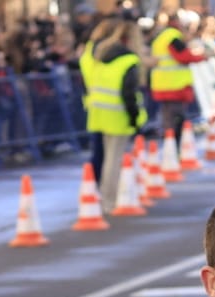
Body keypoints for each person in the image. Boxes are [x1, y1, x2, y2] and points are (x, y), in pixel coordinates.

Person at [87, 19, 145, 213]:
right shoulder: (129, 60)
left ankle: (106, 197)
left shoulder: (102, 53)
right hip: (118, 114)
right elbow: (128, 93)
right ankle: (109, 200)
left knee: (108, 158)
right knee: (114, 160)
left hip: (99, 112)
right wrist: (134, 118)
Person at [149, 9, 206, 147]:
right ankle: (174, 146)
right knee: (175, 118)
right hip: (174, 85)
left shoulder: (163, 36)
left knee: (168, 118)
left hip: (164, 84)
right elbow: (183, 57)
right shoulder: (173, 37)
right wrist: (202, 56)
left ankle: (170, 145)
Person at [78, 17, 123, 184]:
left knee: (99, 150)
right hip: (111, 105)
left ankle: (93, 184)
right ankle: (100, 186)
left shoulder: (89, 49)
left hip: (94, 103)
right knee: (108, 154)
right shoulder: (108, 52)